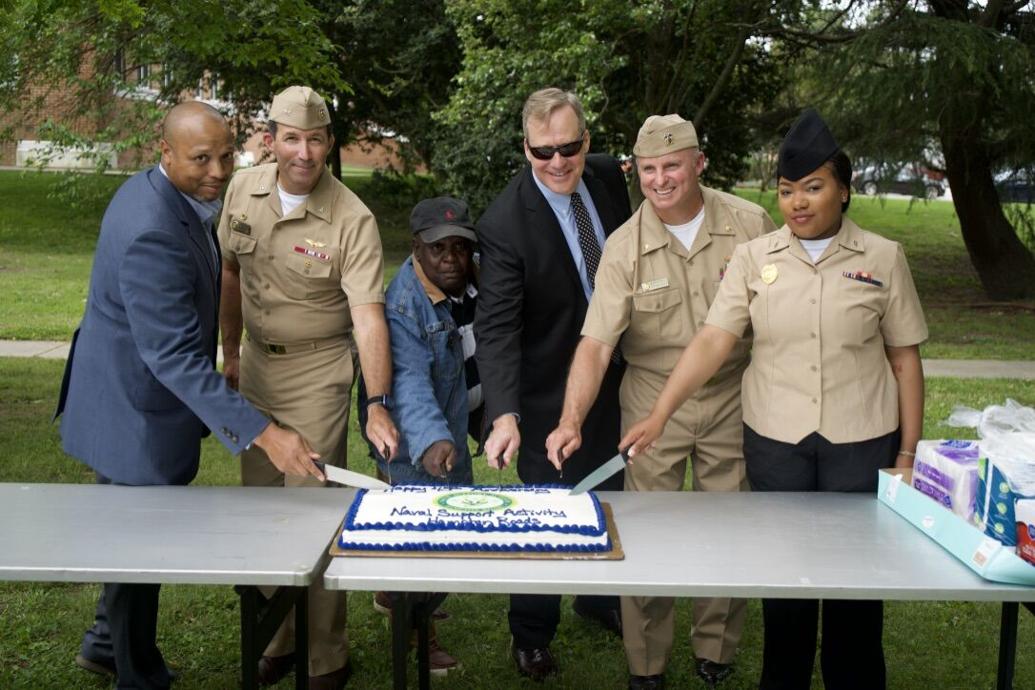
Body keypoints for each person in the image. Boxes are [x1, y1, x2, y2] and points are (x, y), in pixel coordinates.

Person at [621, 108, 927, 690]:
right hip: (777, 444)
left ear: (843, 188)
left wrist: (907, 455)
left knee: (855, 595)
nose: (799, 203)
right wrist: (659, 415)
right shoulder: (755, 257)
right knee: (784, 591)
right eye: (788, 191)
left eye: (813, 187)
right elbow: (714, 339)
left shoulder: (883, 258)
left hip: (860, 445)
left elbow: (905, 360)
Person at [55, 101, 323, 690]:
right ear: (165, 152)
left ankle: (103, 644)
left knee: (128, 535)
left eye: (226, 154)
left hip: (118, 390)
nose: (219, 170)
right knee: (134, 549)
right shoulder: (153, 228)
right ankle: (137, 673)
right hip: (132, 411)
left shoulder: (156, 192)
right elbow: (172, 357)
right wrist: (265, 433)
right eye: (201, 158)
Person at [545, 114, 777, 689]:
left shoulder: (750, 225)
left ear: (700, 163)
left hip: (730, 395)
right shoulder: (624, 246)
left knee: (727, 524)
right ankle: (645, 660)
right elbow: (596, 344)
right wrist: (571, 418)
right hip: (651, 402)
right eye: (648, 169)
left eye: (672, 165)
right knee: (646, 532)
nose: (660, 180)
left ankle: (716, 648)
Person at [217, 85, 399, 690]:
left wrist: (375, 402)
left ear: (328, 143)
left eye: (315, 138)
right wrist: (228, 351)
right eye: (291, 137)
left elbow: (369, 317)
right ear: (271, 139)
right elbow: (230, 271)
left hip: (318, 372)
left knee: (314, 513)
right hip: (254, 369)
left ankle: (327, 656)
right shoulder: (244, 188)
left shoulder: (352, 218)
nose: (303, 151)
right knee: (261, 508)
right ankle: (278, 640)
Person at [475, 87, 633, 681]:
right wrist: (505, 413)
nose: (558, 163)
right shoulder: (504, 223)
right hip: (546, 388)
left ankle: (600, 597)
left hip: (620, 377)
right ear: (526, 148)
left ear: (585, 141)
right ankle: (532, 633)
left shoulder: (608, 179)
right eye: (543, 153)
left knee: (614, 490)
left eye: (569, 147)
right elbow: (494, 329)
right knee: (545, 510)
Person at [361, 196, 484, 675]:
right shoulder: (405, 303)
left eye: (460, 248)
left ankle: (399, 596)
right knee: (427, 537)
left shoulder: (472, 277)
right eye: (438, 250)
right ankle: (417, 629)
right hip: (415, 438)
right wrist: (432, 439)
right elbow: (408, 380)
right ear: (416, 248)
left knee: (450, 530)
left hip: (452, 427)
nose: (451, 259)